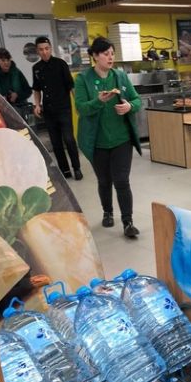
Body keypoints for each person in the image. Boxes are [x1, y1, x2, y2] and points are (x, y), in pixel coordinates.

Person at [74, 36, 142, 239]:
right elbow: (81, 108)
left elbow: (137, 100)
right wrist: (98, 101)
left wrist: (130, 106)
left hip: (122, 140)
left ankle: (128, 222)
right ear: (95, 56)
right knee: (104, 181)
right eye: (106, 54)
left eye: (112, 53)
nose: (110, 57)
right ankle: (107, 211)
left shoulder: (120, 77)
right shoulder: (82, 79)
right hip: (97, 142)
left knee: (122, 181)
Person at [32, 36, 83, 180]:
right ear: (37, 51)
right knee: (56, 143)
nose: (44, 52)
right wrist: (37, 105)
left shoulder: (61, 64)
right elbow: (36, 89)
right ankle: (65, 170)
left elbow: (71, 86)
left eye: (47, 49)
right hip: (49, 111)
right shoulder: (36, 68)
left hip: (64, 109)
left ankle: (77, 168)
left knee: (69, 139)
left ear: (51, 49)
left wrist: (78, 104)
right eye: (41, 50)